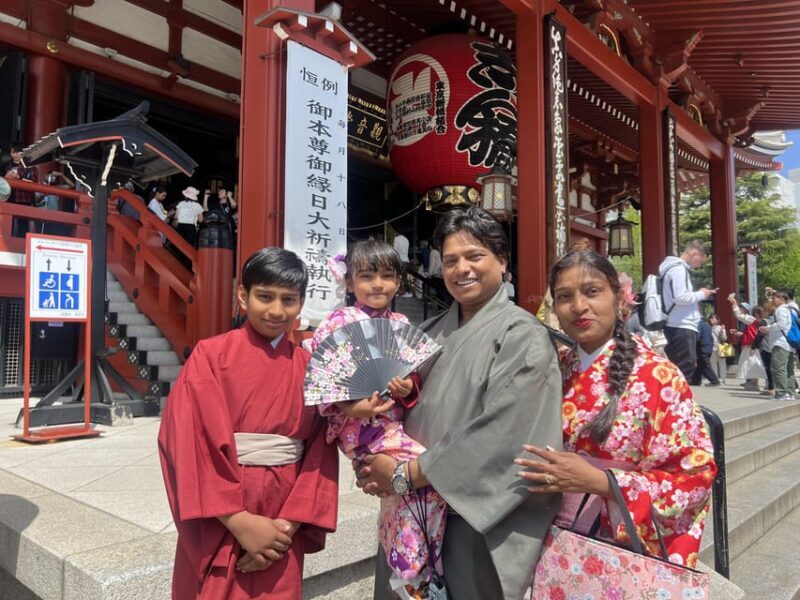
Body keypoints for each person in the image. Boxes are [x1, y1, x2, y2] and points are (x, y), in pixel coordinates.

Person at [355, 206, 563, 600]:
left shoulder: (523, 335)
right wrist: (369, 455)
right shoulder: (426, 332)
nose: (461, 269)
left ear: (502, 261)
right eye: (450, 260)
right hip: (408, 516)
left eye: (475, 256)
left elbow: (504, 434)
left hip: (470, 520)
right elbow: (388, 409)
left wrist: (406, 474)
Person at [158, 248, 338, 600]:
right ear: (243, 296)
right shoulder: (210, 355)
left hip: (284, 512)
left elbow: (321, 449)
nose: (276, 310)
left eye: (288, 300)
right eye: (265, 297)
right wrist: (239, 522)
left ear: (301, 304)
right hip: (219, 513)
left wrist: (284, 530)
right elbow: (188, 441)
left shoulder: (311, 368)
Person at [518, 250, 716, 568]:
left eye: (592, 292)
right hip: (550, 544)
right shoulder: (554, 370)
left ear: (619, 298)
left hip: (617, 551)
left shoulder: (658, 377)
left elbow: (694, 479)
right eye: (564, 296)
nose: (579, 306)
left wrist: (602, 482)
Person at [310, 240, 446, 598]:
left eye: (387, 276)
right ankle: (411, 566)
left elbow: (413, 380)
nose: (377, 285)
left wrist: (404, 388)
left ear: (399, 282)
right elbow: (325, 384)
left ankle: (411, 564)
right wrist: (356, 408)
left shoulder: (399, 323)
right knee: (424, 476)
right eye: (367, 276)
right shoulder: (339, 322)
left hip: (391, 423)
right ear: (349, 282)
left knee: (401, 493)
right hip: (362, 429)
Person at [659, 240, 717, 380]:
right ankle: (677, 400)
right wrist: (702, 294)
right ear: (693, 253)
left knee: (679, 368)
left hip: (676, 323)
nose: (700, 265)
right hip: (681, 324)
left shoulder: (670, 267)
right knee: (683, 369)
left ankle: (676, 400)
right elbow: (680, 298)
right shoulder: (679, 269)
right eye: (701, 260)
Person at [759, 290, 796, 401]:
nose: (773, 299)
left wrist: (768, 328)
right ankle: (790, 392)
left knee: (778, 368)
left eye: (776, 297)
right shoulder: (790, 309)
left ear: (782, 299)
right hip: (789, 343)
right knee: (788, 369)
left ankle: (781, 393)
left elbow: (781, 324)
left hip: (780, 342)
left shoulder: (781, 309)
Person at [728, 295, 767, 392]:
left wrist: (734, 303)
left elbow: (739, 315)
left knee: (755, 364)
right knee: (755, 365)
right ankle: (758, 384)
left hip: (754, 346)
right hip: (757, 345)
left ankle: (760, 385)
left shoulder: (753, 320)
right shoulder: (762, 320)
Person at [2, 144, 39, 237]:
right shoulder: (6, 165)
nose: (15, 154)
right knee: (6, 222)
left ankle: (22, 243)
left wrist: (19, 177)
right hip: (8, 196)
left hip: (24, 198)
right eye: (13, 152)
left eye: (17, 152)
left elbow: (34, 182)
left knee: (23, 224)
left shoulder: (30, 166)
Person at [690, 317, 721, 386]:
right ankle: (696, 380)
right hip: (708, 347)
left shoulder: (699, 325)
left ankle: (714, 381)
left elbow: (698, 336)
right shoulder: (706, 325)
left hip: (702, 347)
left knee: (705, 365)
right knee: (700, 365)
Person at [709, 313, 728, 385]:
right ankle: (715, 379)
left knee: (722, 364)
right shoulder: (708, 328)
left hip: (721, 348)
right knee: (713, 364)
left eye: (714, 318)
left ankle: (723, 379)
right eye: (711, 318)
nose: (712, 319)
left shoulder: (720, 327)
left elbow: (724, 338)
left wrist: (723, 330)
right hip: (712, 348)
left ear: (717, 320)